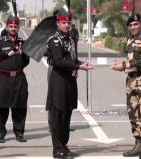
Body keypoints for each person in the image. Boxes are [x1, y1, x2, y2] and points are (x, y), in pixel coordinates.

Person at [46, 7, 93, 158]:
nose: (66, 25)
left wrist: (80, 64)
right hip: (59, 79)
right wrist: (78, 66)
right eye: (63, 22)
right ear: (58, 23)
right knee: (57, 114)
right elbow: (59, 62)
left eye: (68, 22)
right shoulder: (54, 41)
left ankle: (64, 146)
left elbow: (72, 59)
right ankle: (57, 148)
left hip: (70, 80)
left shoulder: (71, 39)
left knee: (67, 114)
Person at [111, 13, 141, 159]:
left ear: (140, 25)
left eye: (136, 24)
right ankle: (139, 144)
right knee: (134, 115)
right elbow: (132, 61)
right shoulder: (129, 41)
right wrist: (124, 68)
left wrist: (124, 65)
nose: (133, 27)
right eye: (131, 25)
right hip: (130, 82)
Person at [0, 15, 29, 143]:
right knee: (1, 106)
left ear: (18, 27)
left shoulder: (22, 43)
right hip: (3, 78)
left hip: (19, 78)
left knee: (20, 106)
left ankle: (19, 133)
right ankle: (1, 133)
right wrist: (4, 70)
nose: (13, 28)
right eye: (11, 26)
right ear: (7, 27)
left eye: (15, 26)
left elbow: (26, 61)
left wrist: (22, 53)